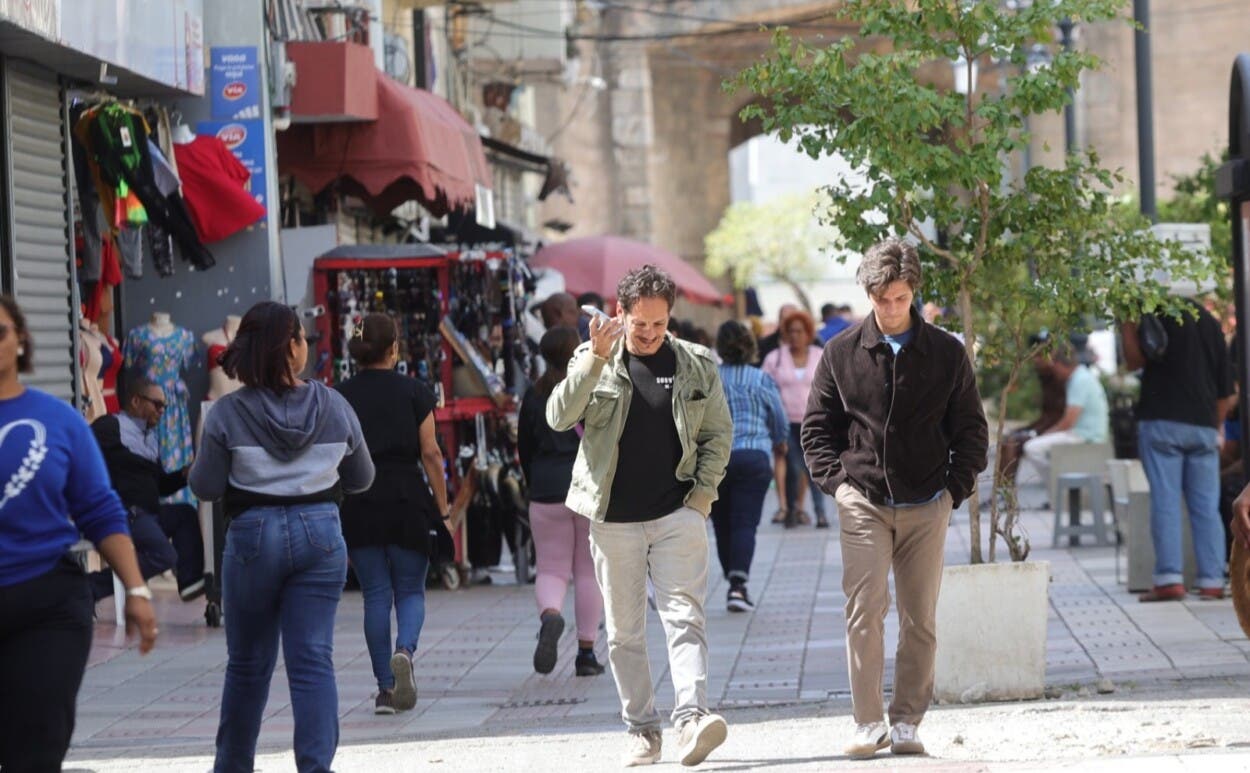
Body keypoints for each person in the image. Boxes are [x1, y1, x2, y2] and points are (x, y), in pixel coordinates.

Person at [801, 238, 988, 760]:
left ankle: (907, 720)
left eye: (900, 298)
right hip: (861, 499)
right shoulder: (840, 353)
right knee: (864, 610)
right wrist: (837, 486)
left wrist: (954, 491)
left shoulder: (947, 353)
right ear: (868, 294)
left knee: (919, 617)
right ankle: (868, 723)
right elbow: (817, 429)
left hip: (929, 499)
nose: (890, 308)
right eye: (881, 299)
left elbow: (972, 429)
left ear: (914, 295)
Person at [547, 265, 733, 767]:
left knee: (684, 617)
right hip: (613, 519)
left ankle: (692, 718)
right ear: (620, 312)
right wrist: (596, 360)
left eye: (658, 323)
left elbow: (718, 434)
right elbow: (558, 417)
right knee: (625, 631)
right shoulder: (594, 358)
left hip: (677, 515)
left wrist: (700, 500)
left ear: (669, 316)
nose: (649, 333)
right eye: (639, 323)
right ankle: (642, 729)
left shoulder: (695, 364)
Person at [189, 301, 375, 773]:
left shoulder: (227, 414)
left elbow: (206, 487)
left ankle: (232, 767)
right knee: (312, 660)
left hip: (251, 536)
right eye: (302, 339)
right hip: (320, 533)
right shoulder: (334, 405)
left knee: (248, 665)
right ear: (291, 347)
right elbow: (362, 478)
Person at [0, 295, 158, 772]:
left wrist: (135, 588)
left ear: (20, 340)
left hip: (46, 606)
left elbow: (100, 510)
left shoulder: (58, 420)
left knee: (36, 751)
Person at [337, 313, 449, 715]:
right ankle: (405, 650)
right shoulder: (415, 391)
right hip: (406, 498)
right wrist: (444, 506)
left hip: (360, 499)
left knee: (375, 596)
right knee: (409, 590)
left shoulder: (340, 395)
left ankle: (385, 689)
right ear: (394, 349)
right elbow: (431, 453)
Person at [1121, 298, 1234, 602]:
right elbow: (1227, 390)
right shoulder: (1210, 322)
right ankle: (1212, 579)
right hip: (1204, 426)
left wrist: (1126, 322)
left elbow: (1134, 361)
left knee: (1166, 500)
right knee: (1206, 506)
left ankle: (1170, 578)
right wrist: (1214, 425)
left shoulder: (1153, 310)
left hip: (1161, 421)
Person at [518, 326, 605, 677]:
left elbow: (524, 446)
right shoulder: (590, 390)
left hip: (545, 489)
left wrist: (532, 480)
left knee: (552, 568)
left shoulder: (533, 395)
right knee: (588, 572)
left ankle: (550, 616)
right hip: (585, 487)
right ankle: (586, 654)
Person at [90, 376, 205, 603]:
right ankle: (89, 587)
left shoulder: (150, 438)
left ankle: (191, 582)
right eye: (157, 404)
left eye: (164, 405)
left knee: (185, 514)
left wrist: (184, 474)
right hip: (124, 512)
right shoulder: (110, 426)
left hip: (147, 514)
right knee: (163, 556)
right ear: (135, 401)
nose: (162, 410)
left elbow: (160, 486)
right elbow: (79, 451)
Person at [711, 320, 788, 612]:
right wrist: (780, 440)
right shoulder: (761, 379)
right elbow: (778, 417)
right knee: (745, 523)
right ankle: (738, 587)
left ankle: (732, 580)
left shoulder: (710, 379)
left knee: (722, 525)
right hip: (754, 457)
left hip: (717, 460)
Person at [763, 308, 829, 528]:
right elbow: (765, 388)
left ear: (808, 333)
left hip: (814, 422)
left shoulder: (819, 355)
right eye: (791, 331)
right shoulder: (775, 358)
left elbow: (830, 386)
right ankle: (791, 510)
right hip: (785, 423)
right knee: (793, 467)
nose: (795, 336)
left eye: (800, 331)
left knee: (814, 468)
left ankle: (819, 513)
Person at [1016, 346, 1109, 487]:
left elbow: (1068, 421)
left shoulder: (1080, 380)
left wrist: (1045, 435)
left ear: (1060, 364)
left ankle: (1057, 488)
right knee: (1040, 447)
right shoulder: (1081, 376)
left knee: (1032, 448)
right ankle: (1059, 485)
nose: (1053, 371)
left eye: (1054, 366)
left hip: (1085, 436)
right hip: (1085, 433)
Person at [994, 333, 1066, 487]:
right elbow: (1047, 414)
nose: (1036, 360)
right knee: (1008, 439)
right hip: (1048, 426)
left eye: (1041, 355)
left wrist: (1033, 432)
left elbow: (1059, 416)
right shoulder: (1045, 378)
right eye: (1035, 355)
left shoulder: (1061, 377)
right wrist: (1025, 429)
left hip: (1058, 430)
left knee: (1012, 443)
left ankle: (1005, 493)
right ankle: (1002, 491)